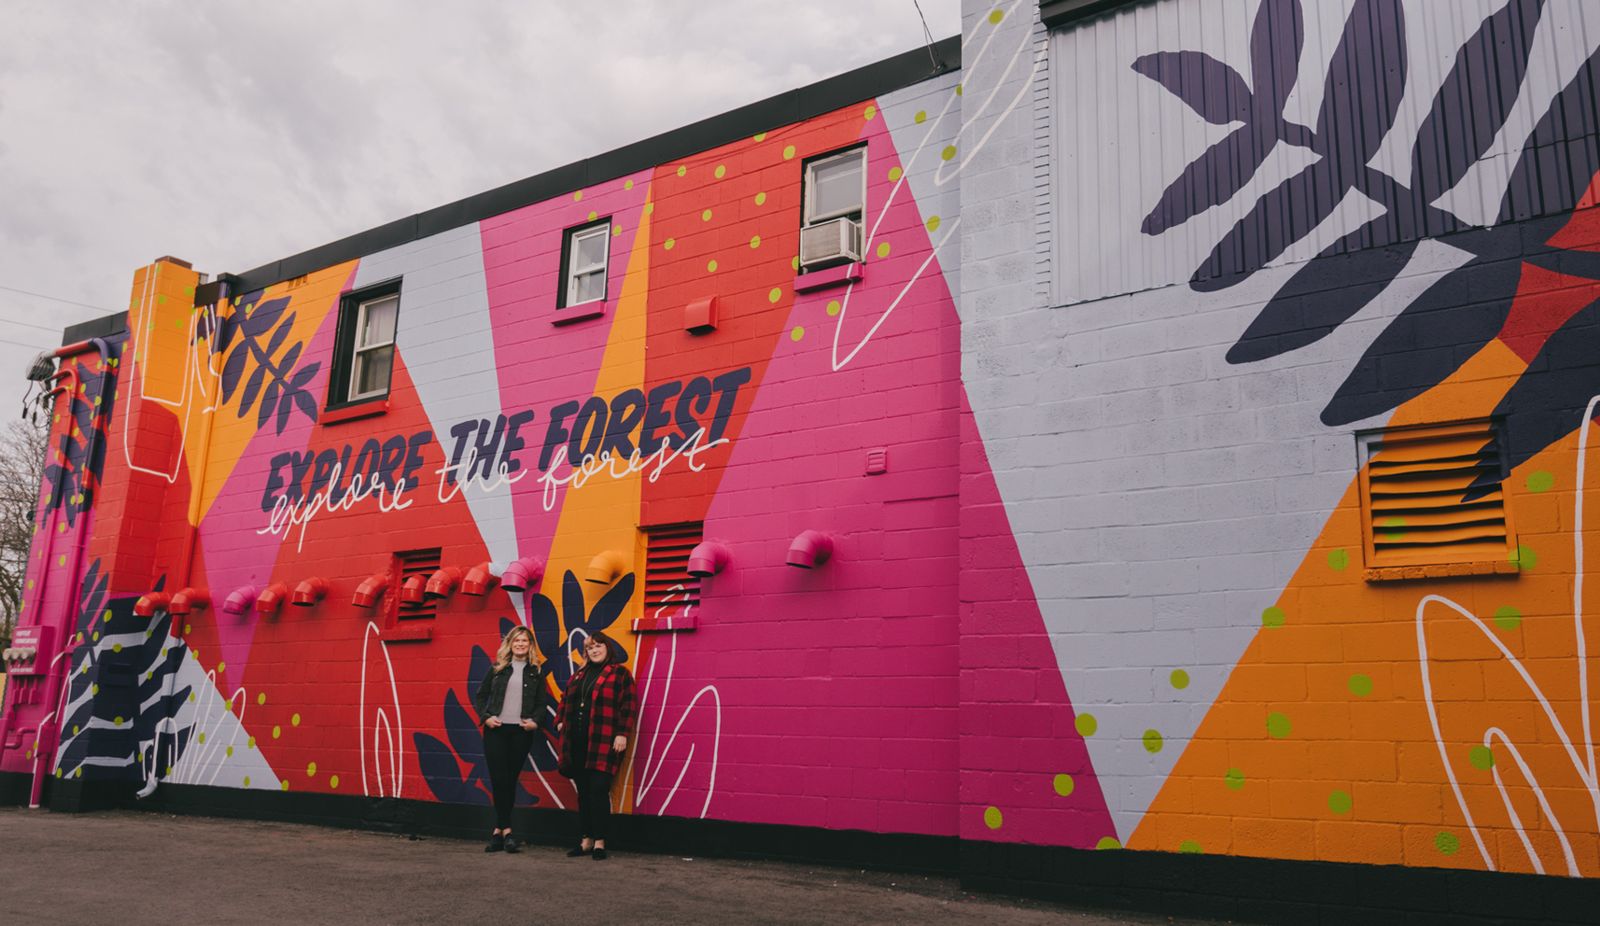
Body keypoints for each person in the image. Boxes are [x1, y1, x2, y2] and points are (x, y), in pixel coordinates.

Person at [556, 631, 636, 860]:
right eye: (590, 648)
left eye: (598, 646)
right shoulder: (579, 675)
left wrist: (622, 734)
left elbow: (628, 706)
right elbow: (564, 699)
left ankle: (600, 841)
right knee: (583, 793)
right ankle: (586, 840)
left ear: (607, 648)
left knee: (598, 790)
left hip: (603, 741)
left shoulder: (620, 673)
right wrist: (560, 721)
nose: (594, 650)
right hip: (577, 742)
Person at [473, 625, 552, 853]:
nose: (520, 644)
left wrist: (535, 722)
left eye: (524, 641)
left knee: (510, 779)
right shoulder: (497, 668)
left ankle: (498, 831)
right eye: (516, 640)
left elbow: (540, 704)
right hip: (496, 731)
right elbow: (481, 696)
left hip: (520, 732)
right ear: (510, 643)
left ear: (530, 646)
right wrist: (486, 717)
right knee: (499, 780)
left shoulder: (536, 673)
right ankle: (507, 830)